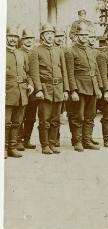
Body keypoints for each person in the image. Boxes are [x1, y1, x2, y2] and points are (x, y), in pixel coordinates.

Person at [29, 23, 70, 155]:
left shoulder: (59, 51)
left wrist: (65, 90)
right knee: (44, 120)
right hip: (45, 90)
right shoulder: (36, 51)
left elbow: (64, 71)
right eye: (47, 34)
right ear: (42, 36)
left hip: (58, 89)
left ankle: (53, 143)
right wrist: (38, 90)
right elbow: (34, 73)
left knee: (55, 120)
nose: (50, 37)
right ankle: (45, 145)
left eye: (52, 34)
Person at [64, 23, 103, 152]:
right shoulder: (70, 51)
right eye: (81, 35)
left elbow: (96, 70)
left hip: (92, 88)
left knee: (90, 115)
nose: (84, 37)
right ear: (76, 36)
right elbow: (70, 73)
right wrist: (73, 91)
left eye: (86, 35)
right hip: (79, 88)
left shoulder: (91, 51)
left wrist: (98, 88)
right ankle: (77, 141)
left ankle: (87, 140)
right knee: (78, 116)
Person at [5, 26, 34, 158]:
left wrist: (31, 84)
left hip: (22, 93)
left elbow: (28, 73)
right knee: (5, 123)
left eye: (15, 37)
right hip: (7, 92)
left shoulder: (21, 54)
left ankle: (12, 147)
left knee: (17, 122)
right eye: (10, 36)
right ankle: (4, 149)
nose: (12, 39)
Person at [17, 27, 37, 151]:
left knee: (31, 116)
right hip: (22, 88)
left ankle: (27, 139)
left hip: (35, 89)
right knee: (20, 115)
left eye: (31, 38)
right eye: (26, 38)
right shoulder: (18, 52)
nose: (29, 41)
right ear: (22, 40)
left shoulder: (36, 52)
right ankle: (18, 140)